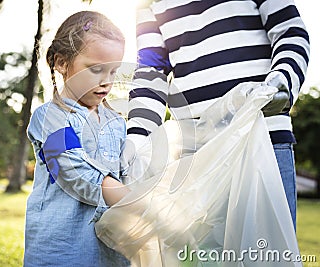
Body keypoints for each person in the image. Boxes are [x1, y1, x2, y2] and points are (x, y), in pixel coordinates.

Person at [127, 0, 310, 230]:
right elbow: (150, 74)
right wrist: (137, 138)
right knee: (202, 258)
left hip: (264, 135)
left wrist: (283, 79)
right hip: (197, 153)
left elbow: (290, 33)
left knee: (268, 253)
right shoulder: (149, 4)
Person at [23, 11, 130, 267]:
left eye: (114, 71)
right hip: (60, 254)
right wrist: (138, 202)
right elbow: (76, 172)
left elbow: (129, 173)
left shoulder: (117, 124)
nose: (107, 82)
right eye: (95, 70)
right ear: (61, 62)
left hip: (110, 256)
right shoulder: (51, 118)